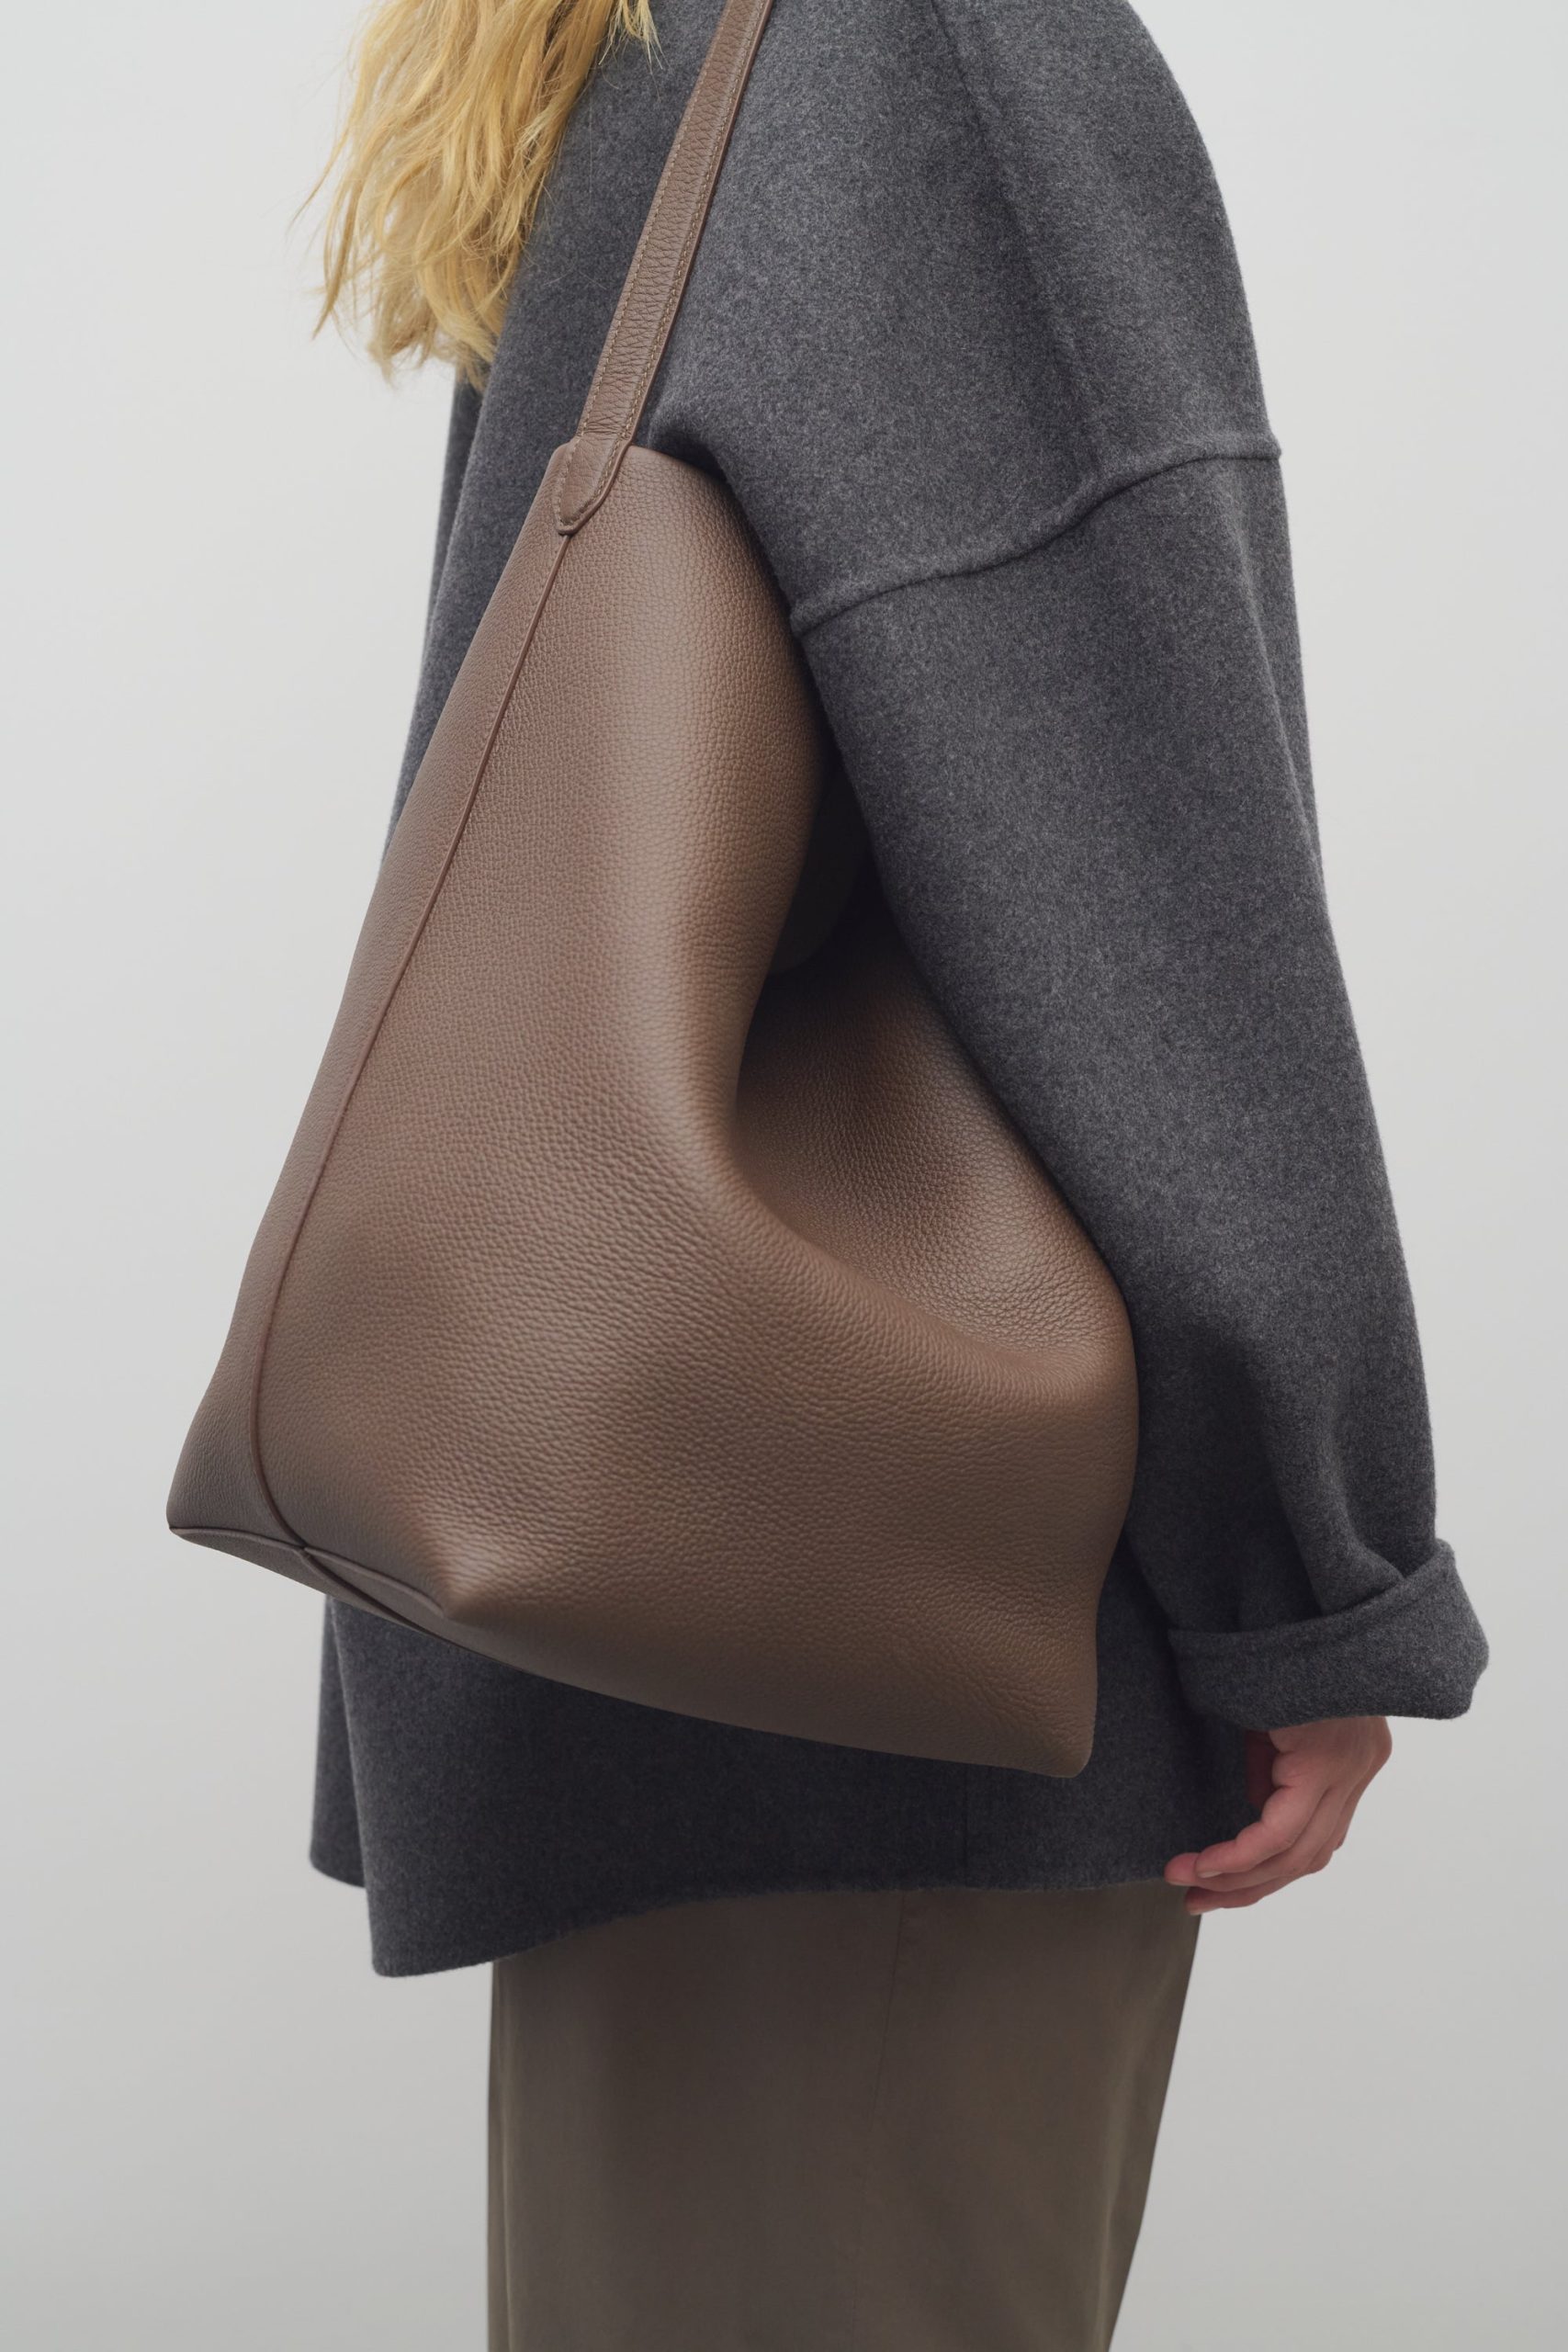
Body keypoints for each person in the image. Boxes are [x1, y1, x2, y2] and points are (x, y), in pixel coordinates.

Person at [304, 2, 1488, 2343]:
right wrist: (1310, 1567)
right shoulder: (932, 48)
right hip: (914, 1656)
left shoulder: (637, 52)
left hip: (646, 1566)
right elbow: (1137, 866)